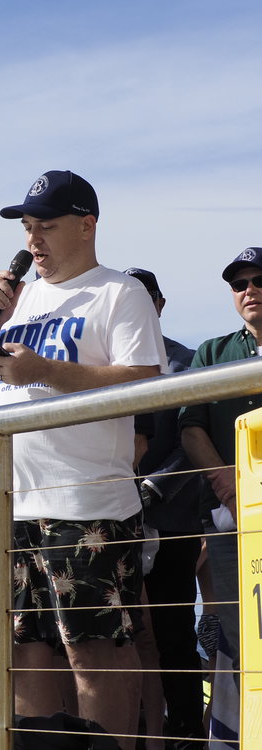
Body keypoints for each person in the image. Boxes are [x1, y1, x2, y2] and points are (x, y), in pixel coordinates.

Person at [0, 170, 166, 750]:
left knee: (94, 651)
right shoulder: (19, 301)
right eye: (27, 227)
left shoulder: (120, 291)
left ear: (87, 224)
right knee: (20, 651)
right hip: (12, 505)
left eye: (45, 225)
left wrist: (44, 371)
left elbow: (144, 382)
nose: (32, 240)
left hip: (88, 501)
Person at [178, 247, 262, 745]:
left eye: (259, 279)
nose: (249, 290)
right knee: (234, 630)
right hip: (232, 518)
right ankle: (235, 737)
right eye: (239, 284)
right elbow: (190, 428)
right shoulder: (211, 352)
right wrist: (227, 482)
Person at [123, 267, 206, 747]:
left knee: (174, 631)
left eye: (144, 296)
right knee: (121, 634)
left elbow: (192, 436)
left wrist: (151, 487)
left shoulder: (188, 362)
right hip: (110, 518)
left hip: (170, 518)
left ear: (160, 303)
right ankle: (135, 728)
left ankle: (186, 728)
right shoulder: (105, 360)